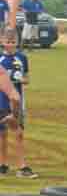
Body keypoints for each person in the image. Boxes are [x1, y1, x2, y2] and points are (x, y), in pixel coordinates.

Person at [0, 30, 34, 178]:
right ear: (2, 41)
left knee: (18, 133)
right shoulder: (0, 58)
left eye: (13, 42)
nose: (10, 45)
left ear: (18, 42)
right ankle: (3, 164)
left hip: (17, 100)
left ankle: (22, 166)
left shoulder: (22, 58)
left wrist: (20, 79)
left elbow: (27, 78)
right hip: (1, 100)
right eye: (7, 42)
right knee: (2, 134)